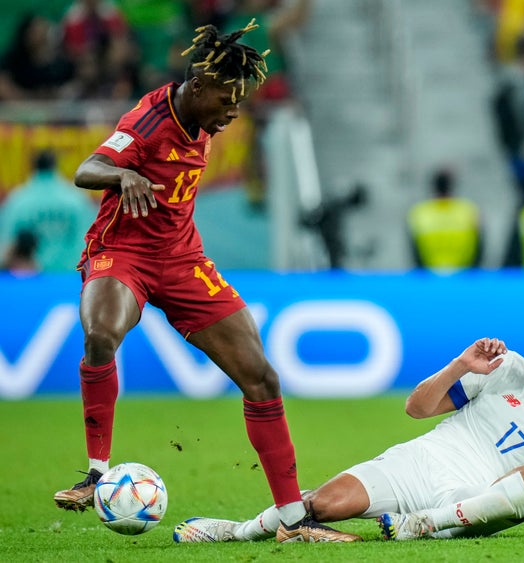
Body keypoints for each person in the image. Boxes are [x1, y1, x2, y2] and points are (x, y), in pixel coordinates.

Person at [51, 21, 358, 544]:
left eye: (239, 100)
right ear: (197, 88)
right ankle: (98, 473)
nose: (233, 111)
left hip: (183, 259)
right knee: (102, 334)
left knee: (261, 378)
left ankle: (292, 521)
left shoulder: (205, 119)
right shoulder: (147, 120)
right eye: (226, 99)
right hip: (122, 253)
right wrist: (122, 174)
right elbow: (87, 168)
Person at [173, 317, 524, 543]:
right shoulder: (506, 368)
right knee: (319, 506)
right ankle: (233, 532)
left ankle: (426, 524)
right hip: (420, 463)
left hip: (471, 497)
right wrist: (460, 365)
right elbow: (416, 408)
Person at [0, 149, 97, 272]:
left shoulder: (18, 200)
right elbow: (90, 239)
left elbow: (6, 242)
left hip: (31, 279)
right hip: (71, 276)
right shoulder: (76, 199)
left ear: (32, 167)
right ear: (55, 166)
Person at [406, 167, 481, 272]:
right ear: (452, 187)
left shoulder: (420, 213)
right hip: (463, 276)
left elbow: (414, 250)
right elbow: (479, 247)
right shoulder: (468, 211)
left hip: (430, 276)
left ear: (433, 187)